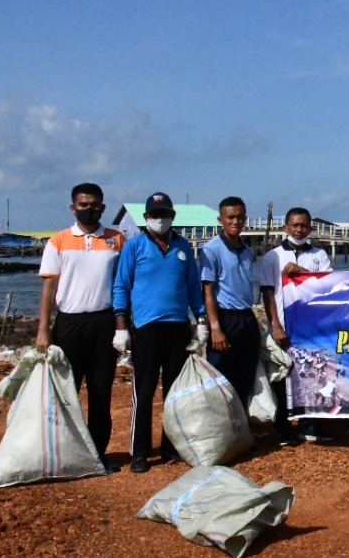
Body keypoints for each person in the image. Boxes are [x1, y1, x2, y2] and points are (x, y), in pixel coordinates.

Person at [112, 192, 206, 473]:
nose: (160, 219)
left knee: (174, 391)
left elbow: (193, 286)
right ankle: (139, 452)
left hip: (178, 326)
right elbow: (121, 287)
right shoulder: (134, 247)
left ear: (172, 217)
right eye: (154, 215)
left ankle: (170, 446)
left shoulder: (183, 247)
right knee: (144, 389)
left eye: (164, 214)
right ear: (145, 218)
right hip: (145, 327)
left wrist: (201, 320)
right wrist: (121, 327)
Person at [35, 182, 124, 471]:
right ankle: (66, 455)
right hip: (69, 324)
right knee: (66, 393)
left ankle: (98, 456)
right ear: (73, 208)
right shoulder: (58, 241)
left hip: (104, 323)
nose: (89, 209)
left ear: (103, 207)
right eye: (83, 205)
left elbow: (124, 285)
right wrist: (43, 329)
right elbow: (49, 288)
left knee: (101, 393)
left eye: (94, 204)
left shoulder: (116, 239)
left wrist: (125, 327)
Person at [260, 207, 333, 445]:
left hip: (312, 327)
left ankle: (308, 424)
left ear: (310, 228)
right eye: (294, 225)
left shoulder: (320, 255)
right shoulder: (273, 256)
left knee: (312, 373)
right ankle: (282, 427)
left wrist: (301, 271)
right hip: (284, 324)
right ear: (286, 227)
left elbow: (328, 287)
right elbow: (267, 292)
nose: (299, 230)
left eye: (303, 226)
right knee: (282, 375)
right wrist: (275, 325)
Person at [198, 196, 258, 412]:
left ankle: (241, 426)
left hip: (246, 316)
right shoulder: (211, 249)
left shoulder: (247, 249)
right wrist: (215, 328)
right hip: (224, 318)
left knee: (245, 375)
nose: (236, 222)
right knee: (220, 376)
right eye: (231, 217)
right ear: (221, 219)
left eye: (240, 217)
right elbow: (208, 291)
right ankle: (219, 426)